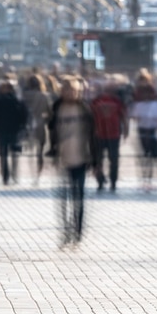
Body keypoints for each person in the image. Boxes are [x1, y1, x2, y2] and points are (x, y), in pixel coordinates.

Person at [47, 76, 98, 246]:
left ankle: (77, 230)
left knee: (79, 196)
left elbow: (93, 135)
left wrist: (95, 159)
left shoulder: (84, 109)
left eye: (73, 90)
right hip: (63, 157)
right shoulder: (57, 107)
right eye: (66, 90)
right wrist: (53, 150)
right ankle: (66, 230)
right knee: (64, 198)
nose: (70, 93)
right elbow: (52, 130)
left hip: (82, 158)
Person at [90, 82, 129, 192]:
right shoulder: (96, 101)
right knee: (104, 160)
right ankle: (104, 180)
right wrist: (126, 130)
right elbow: (91, 116)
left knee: (109, 160)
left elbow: (123, 116)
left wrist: (126, 129)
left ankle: (110, 181)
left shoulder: (115, 101)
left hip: (112, 134)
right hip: (101, 133)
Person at [0, 80, 28, 185]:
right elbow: (24, 115)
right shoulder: (19, 100)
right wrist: (23, 127)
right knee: (15, 153)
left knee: (4, 153)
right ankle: (14, 174)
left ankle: (5, 176)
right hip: (15, 130)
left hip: (2, 129)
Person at [129, 84, 157, 191]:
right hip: (142, 132)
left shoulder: (156, 105)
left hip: (152, 131)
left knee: (152, 158)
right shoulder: (139, 105)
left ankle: (149, 179)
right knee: (144, 157)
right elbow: (135, 118)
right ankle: (144, 178)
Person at [22, 74, 53, 183]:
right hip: (40, 124)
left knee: (29, 151)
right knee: (39, 151)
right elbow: (49, 111)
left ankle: (30, 171)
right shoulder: (44, 96)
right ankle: (37, 174)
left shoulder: (24, 96)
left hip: (26, 125)